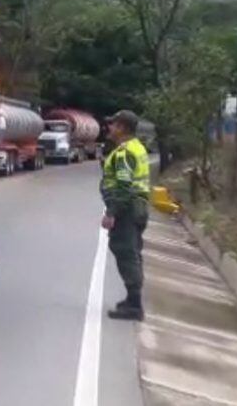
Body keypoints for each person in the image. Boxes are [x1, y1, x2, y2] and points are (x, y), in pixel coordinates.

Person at [101, 110, 151, 321]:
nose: (109, 128)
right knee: (133, 252)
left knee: (126, 252)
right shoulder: (137, 147)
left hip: (127, 209)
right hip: (138, 208)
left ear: (121, 128)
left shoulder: (123, 153)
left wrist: (111, 213)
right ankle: (132, 300)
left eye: (112, 124)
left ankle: (134, 305)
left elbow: (124, 187)